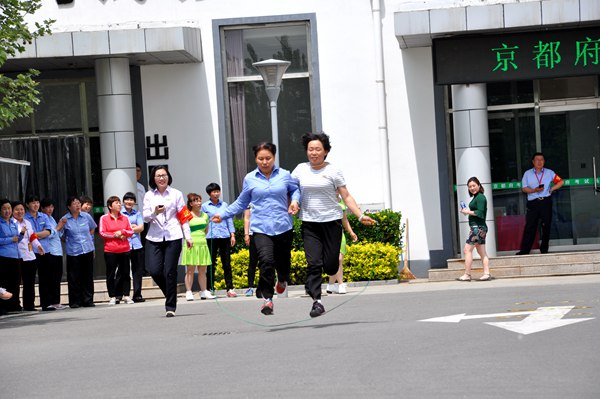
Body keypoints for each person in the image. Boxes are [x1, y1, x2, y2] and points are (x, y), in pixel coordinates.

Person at [291, 132, 375, 317]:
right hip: (309, 223)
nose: (313, 153)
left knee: (330, 266)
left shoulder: (333, 171)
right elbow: (291, 190)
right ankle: (317, 301)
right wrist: (293, 202)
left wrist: (360, 216)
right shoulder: (299, 170)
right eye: (310, 149)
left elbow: (346, 196)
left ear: (326, 151)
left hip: (331, 223)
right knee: (313, 262)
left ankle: (320, 283)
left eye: (317, 149)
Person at [212, 142, 300, 315]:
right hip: (260, 227)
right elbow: (241, 202)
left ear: (274, 157)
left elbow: (295, 190)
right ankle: (268, 300)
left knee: (283, 264)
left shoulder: (285, 175)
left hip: (283, 226)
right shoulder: (250, 178)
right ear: (255, 159)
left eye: (268, 158)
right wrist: (223, 214)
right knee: (266, 261)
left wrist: (295, 201)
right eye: (261, 159)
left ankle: (282, 280)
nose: (265, 162)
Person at [143, 165, 192, 317]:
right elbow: (145, 217)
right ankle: (170, 293)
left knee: (170, 271)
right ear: (154, 179)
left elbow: (183, 217)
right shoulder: (149, 196)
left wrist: (188, 236)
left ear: (168, 177)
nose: (162, 178)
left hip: (173, 235)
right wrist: (154, 212)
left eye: (164, 175)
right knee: (155, 270)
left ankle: (170, 306)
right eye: (158, 176)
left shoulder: (176, 194)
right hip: (154, 236)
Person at [516, 152, 564, 255]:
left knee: (546, 225)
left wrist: (551, 189)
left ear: (544, 161)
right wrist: (534, 190)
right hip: (533, 203)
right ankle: (525, 250)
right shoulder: (527, 173)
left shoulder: (549, 172)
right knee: (530, 226)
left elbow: (561, 182)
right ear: (533, 162)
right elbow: (524, 188)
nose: (539, 162)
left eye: (541, 160)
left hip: (545, 202)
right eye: (537, 160)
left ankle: (544, 249)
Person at [201, 182, 237, 298]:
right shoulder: (205, 206)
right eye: (214, 192)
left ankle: (230, 288)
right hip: (211, 237)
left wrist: (232, 234)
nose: (216, 194)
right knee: (211, 263)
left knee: (226, 263)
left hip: (224, 235)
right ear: (209, 193)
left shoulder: (224, 205)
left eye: (218, 191)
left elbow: (229, 219)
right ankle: (210, 288)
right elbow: (202, 221)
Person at [61, 196, 97, 308]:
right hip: (73, 251)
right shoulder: (65, 219)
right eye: (74, 203)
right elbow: (61, 235)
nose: (77, 205)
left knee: (88, 276)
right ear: (68, 206)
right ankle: (75, 301)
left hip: (87, 249)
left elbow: (93, 228)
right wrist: (69, 241)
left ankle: (88, 300)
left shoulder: (86, 216)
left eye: (78, 203)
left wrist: (88, 239)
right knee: (74, 277)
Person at [99, 196, 134, 305]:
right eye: (116, 203)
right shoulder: (104, 218)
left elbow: (131, 231)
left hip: (124, 249)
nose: (119, 205)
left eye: (119, 203)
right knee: (111, 273)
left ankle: (127, 295)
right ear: (110, 206)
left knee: (125, 273)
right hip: (110, 250)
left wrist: (122, 232)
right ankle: (112, 296)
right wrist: (116, 235)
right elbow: (102, 233)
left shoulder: (125, 218)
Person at [456, 177, 491, 282]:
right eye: (470, 186)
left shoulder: (480, 197)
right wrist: (468, 211)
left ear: (479, 186)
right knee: (482, 252)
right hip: (479, 228)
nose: (472, 188)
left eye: (474, 185)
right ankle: (486, 273)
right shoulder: (477, 197)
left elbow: (480, 213)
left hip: (477, 228)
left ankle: (467, 274)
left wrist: (468, 212)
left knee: (467, 250)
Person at [181, 193, 215, 301]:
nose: (199, 203)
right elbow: (183, 229)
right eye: (196, 201)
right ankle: (189, 291)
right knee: (190, 269)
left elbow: (206, 230)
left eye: (199, 200)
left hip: (202, 244)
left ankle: (204, 291)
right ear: (190, 203)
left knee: (202, 270)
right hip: (191, 244)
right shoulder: (187, 215)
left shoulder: (205, 215)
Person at [12, 201, 45, 311]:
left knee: (29, 282)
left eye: (21, 209)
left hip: (30, 254)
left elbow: (32, 236)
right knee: (16, 281)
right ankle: (15, 304)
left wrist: (38, 246)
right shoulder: (12, 223)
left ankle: (29, 304)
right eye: (17, 210)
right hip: (18, 255)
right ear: (12, 211)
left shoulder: (27, 222)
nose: (20, 212)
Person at [25, 196, 55, 311]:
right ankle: (29, 305)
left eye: (37, 202)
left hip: (45, 250)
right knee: (29, 279)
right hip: (31, 251)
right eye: (33, 203)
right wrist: (38, 234)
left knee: (46, 278)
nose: (36, 205)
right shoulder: (25, 218)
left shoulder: (44, 216)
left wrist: (34, 235)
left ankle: (46, 303)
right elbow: (28, 235)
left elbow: (48, 232)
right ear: (27, 205)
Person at [326, 198, 358, 295]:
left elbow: (344, 220)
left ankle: (340, 284)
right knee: (331, 261)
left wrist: (351, 232)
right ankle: (331, 285)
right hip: (327, 234)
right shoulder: (326, 199)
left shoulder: (342, 202)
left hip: (339, 234)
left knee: (339, 259)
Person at [40, 198, 67, 309]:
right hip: (49, 251)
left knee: (56, 277)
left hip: (57, 251)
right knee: (49, 278)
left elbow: (57, 234)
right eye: (48, 207)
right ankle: (48, 302)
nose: (50, 209)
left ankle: (56, 301)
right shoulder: (43, 218)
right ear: (42, 208)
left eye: (52, 207)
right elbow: (48, 234)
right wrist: (58, 227)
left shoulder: (51, 218)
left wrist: (61, 228)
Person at [0, 199, 24, 313]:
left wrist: (22, 234)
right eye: (4, 208)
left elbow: (17, 239)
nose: (7, 211)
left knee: (15, 282)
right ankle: (3, 306)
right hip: (3, 256)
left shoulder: (13, 223)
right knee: (4, 282)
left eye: (9, 208)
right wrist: (10, 239)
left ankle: (14, 305)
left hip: (15, 255)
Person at [122, 192, 146, 303]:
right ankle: (121, 294)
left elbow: (141, 228)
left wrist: (128, 229)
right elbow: (120, 228)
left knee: (138, 271)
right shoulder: (120, 214)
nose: (129, 202)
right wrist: (132, 227)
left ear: (134, 202)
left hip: (137, 245)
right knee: (123, 271)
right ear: (123, 201)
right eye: (127, 200)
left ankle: (137, 294)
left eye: (131, 200)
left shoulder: (137, 213)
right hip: (124, 246)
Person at [243, 207, 258, 297]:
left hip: (266, 233)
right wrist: (246, 234)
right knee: (253, 261)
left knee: (267, 261)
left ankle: (267, 286)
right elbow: (246, 218)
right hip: (253, 234)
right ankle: (250, 287)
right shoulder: (249, 202)